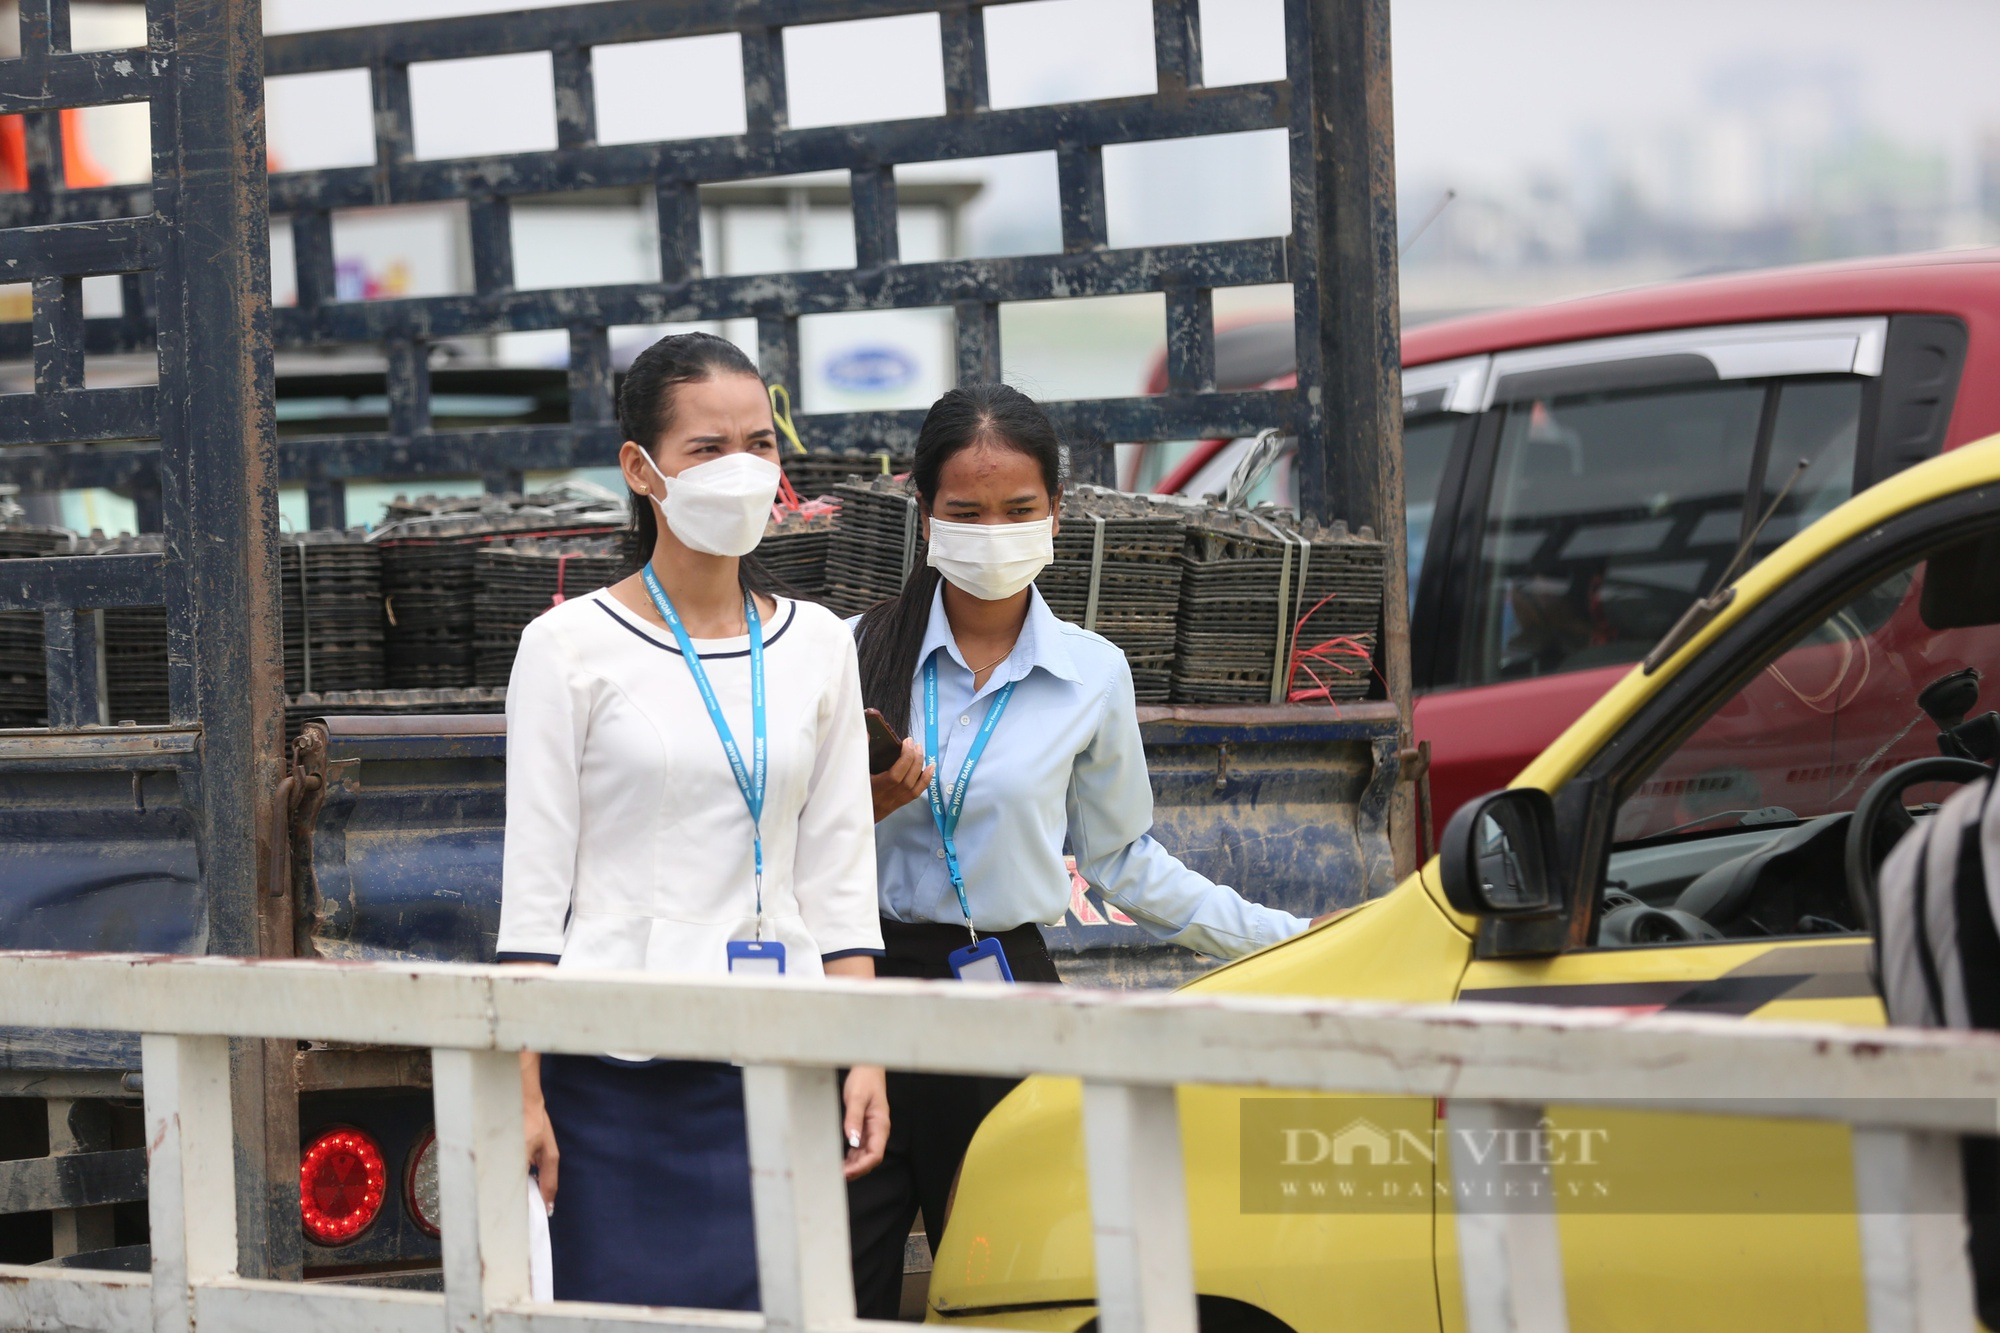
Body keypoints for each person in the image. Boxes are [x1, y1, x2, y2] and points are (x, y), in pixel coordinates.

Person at [847, 383, 1320, 1317]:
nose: (994, 530)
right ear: (925, 515)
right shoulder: (849, 649)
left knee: (1002, 1283)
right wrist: (861, 808)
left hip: (1001, 991)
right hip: (856, 979)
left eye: (1018, 510)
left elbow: (1124, 860)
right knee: (835, 1279)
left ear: (1057, 513)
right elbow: (774, 838)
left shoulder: (1092, 673)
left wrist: (1288, 936)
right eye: (966, 511)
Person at [496, 332, 889, 1309]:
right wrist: (525, 1087)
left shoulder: (817, 647)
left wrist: (866, 1050)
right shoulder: (565, 647)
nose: (742, 471)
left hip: (779, 1062)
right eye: (706, 449)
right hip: (615, 1080)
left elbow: (838, 871)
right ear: (641, 469)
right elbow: (534, 897)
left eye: (759, 444)